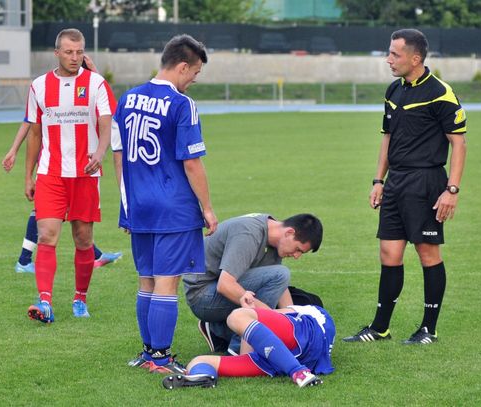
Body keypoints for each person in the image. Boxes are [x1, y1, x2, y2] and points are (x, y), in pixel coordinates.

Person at [343, 29, 467, 345]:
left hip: (426, 183)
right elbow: (388, 138)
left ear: (415, 58)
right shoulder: (393, 91)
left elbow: (459, 143)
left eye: (395, 54)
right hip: (396, 182)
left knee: (427, 252)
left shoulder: (440, 92)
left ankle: (428, 329)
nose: (389, 59)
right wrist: (378, 181)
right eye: (389, 52)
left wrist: (451, 190)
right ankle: (380, 328)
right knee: (389, 253)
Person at [113, 34, 217, 374]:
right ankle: (160, 357)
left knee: (146, 279)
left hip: (139, 205)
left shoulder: (128, 98)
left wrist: (127, 203)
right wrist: (207, 208)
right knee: (167, 282)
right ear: (183, 66)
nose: (194, 80)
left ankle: (147, 352)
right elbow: (192, 163)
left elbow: (118, 155)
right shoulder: (181, 104)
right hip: (174, 208)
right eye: (195, 72)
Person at [24, 28, 115, 323]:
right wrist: (29, 176)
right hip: (51, 173)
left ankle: (80, 298)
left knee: (83, 240)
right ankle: (45, 302)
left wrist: (99, 153)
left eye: (79, 52)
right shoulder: (39, 86)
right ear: (57, 53)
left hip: (85, 174)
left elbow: (106, 123)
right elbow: (34, 134)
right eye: (68, 52)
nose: (74, 57)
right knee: (46, 235)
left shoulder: (96, 83)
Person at [2, 57, 122, 274]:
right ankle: (24, 260)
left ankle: (94, 254)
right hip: (53, 162)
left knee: (74, 218)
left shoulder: (92, 86)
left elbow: (106, 105)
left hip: (73, 164)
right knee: (46, 213)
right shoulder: (45, 86)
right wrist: (14, 150)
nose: (74, 58)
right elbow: (30, 122)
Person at [183, 213, 323, 355]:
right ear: (289, 232)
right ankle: (238, 348)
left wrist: (292, 320)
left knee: (307, 303)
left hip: (222, 286)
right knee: (281, 275)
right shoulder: (249, 233)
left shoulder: (274, 236)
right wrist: (274, 317)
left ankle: (218, 330)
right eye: (298, 249)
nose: (297, 256)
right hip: (202, 294)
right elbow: (224, 285)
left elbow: (279, 286)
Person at [161, 305, 335, 389]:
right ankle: (203, 376)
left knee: (236, 316)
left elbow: (268, 317)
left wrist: (250, 310)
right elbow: (252, 342)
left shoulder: (308, 311)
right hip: (291, 356)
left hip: (306, 337)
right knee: (198, 361)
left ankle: (298, 372)